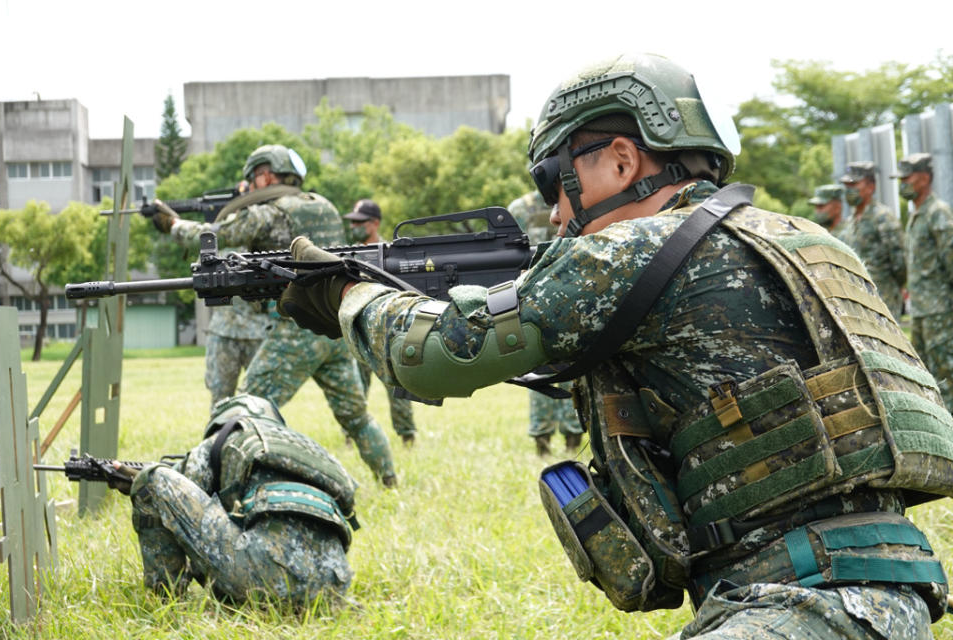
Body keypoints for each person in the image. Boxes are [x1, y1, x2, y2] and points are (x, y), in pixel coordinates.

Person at [277, 54, 953, 638]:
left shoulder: (630, 248)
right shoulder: (810, 239)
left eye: (553, 181)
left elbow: (432, 356)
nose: (556, 214)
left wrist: (345, 295)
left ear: (624, 160)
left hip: (802, 603)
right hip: (890, 593)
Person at [152, 144, 396, 486]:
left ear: (266, 175)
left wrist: (173, 224)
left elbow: (212, 236)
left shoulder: (269, 212)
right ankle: (389, 480)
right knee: (356, 415)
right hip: (336, 327)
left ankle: (210, 484)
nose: (249, 187)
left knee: (242, 410)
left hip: (299, 331)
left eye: (252, 179)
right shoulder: (322, 205)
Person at [121, 393, 357, 606]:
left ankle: (166, 600)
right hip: (335, 587)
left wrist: (139, 480)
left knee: (152, 480)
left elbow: (184, 496)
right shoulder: (310, 451)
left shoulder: (224, 439)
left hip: (263, 580)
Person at [507, 190, 583, 455]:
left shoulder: (575, 199)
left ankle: (569, 436)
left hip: (565, 295)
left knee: (569, 369)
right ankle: (544, 440)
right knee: (542, 368)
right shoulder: (519, 209)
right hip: (544, 295)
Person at [343, 199, 417, 446]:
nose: (354, 226)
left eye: (359, 222)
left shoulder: (391, 252)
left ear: (374, 223)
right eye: (352, 222)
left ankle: (407, 435)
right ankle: (352, 436)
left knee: (398, 387)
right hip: (360, 327)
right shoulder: (349, 255)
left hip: (388, 330)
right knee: (356, 387)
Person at [894, 152, 953, 412]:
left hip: (939, 311)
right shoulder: (918, 214)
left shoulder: (937, 212)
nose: (902, 183)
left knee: (947, 376)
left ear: (925, 178)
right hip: (921, 311)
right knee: (926, 378)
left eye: (908, 178)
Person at [838, 161, 907, 319]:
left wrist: (893, 287)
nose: (849, 190)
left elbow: (900, 263)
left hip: (883, 299)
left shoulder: (883, 217)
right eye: (847, 186)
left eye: (854, 184)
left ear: (870, 187)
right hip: (857, 301)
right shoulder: (850, 222)